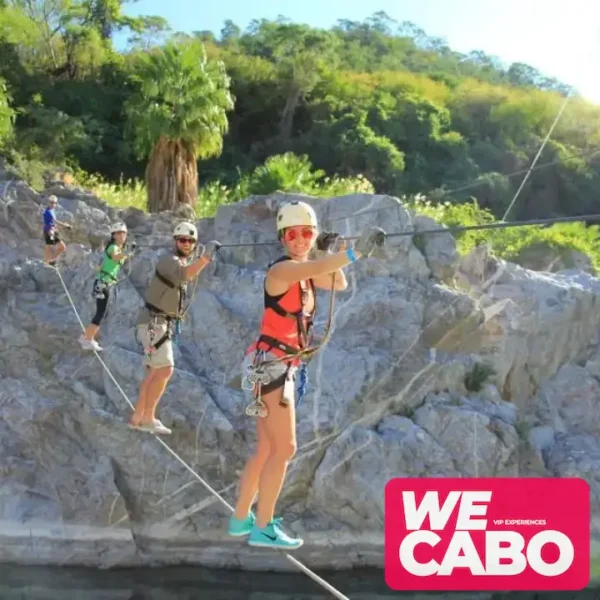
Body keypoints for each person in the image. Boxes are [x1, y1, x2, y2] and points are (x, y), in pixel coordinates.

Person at [228, 200, 386, 550]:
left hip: (275, 366)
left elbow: (339, 281)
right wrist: (354, 252)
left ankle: (241, 518)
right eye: (293, 234)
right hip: (272, 366)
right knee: (285, 448)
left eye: (307, 233)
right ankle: (264, 527)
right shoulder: (281, 272)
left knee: (268, 447)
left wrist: (333, 250)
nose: (300, 240)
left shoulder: (306, 269)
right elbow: (331, 269)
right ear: (283, 239)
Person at [129, 221, 220, 435]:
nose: (186, 244)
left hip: (158, 325)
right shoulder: (168, 261)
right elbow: (184, 275)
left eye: (190, 241)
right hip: (154, 324)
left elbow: (186, 273)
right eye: (182, 240)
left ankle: (137, 417)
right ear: (175, 241)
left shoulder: (178, 262)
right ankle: (148, 418)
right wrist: (206, 257)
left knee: (153, 373)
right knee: (165, 369)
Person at [79, 222, 131, 352]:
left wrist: (127, 253)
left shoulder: (117, 249)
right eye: (119, 233)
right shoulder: (113, 248)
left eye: (123, 233)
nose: (122, 235)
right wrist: (128, 253)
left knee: (103, 312)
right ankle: (87, 339)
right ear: (113, 235)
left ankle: (87, 336)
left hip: (105, 283)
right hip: (103, 283)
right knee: (101, 312)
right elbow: (115, 257)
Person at [43, 195, 72, 266]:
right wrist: (66, 225)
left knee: (62, 247)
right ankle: (47, 263)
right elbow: (55, 221)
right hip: (50, 232)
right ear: (48, 202)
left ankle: (51, 260)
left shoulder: (52, 210)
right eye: (51, 202)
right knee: (49, 246)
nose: (53, 204)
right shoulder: (48, 212)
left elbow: (53, 223)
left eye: (54, 203)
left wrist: (59, 227)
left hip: (54, 231)